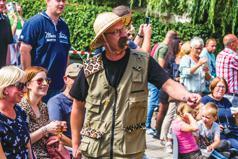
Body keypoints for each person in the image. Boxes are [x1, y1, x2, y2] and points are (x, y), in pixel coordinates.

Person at [70, 12, 201, 158]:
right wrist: (76, 144)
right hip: (95, 151)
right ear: (104, 38)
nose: (124, 34)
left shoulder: (143, 61)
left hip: (129, 151)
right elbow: (77, 107)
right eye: (116, 32)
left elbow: (169, 84)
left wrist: (186, 95)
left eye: (124, 29)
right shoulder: (90, 67)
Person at [19, 0, 71, 102]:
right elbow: (24, 51)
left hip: (58, 87)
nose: (61, 4)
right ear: (47, 1)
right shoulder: (34, 23)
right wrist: (29, 78)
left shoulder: (64, 26)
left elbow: (66, 54)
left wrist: (66, 77)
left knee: (53, 117)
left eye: (64, 1)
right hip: (38, 86)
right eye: (58, 0)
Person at [18, 66, 67, 158]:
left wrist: (58, 128)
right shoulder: (21, 107)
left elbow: (47, 135)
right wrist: (46, 129)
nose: (45, 84)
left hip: (47, 153)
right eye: (40, 80)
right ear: (28, 85)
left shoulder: (43, 107)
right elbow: (22, 141)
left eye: (47, 80)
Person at [0, 66, 34, 158]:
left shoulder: (20, 111)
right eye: (20, 86)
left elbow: (28, 147)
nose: (25, 90)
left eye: (25, 85)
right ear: (5, 88)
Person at [201, 77, 238, 150]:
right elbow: (201, 119)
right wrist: (214, 126)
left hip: (232, 131)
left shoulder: (226, 101)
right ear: (213, 87)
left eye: (223, 87)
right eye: (219, 86)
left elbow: (232, 117)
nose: (221, 89)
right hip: (219, 134)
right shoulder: (205, 100)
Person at [48, 63, 83, 138]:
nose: (79, 82)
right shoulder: (56, 102)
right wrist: (77, 146)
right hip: (68, 148)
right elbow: (56, 134)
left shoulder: (88, 100)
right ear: (65, 79)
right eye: (75, 78)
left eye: (82, 79)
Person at [216, 34, 238, 107]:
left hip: (221, 92)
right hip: (232, 96)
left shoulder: (220, 54)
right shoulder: (233, 57)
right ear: (232, 44)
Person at [0, 0, 13, 68]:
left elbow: (8, 44)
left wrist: (7, 66)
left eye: (4, 0)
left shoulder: (6, 20)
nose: (1, 3)